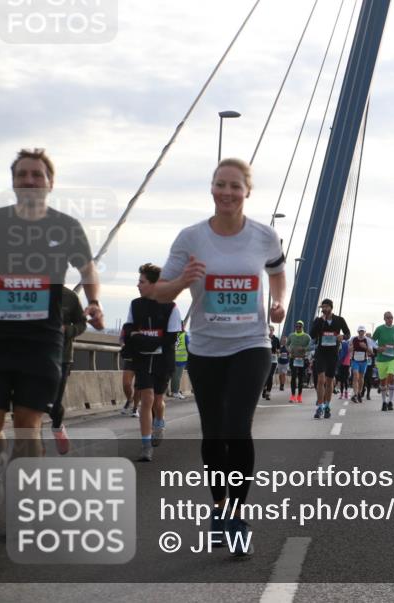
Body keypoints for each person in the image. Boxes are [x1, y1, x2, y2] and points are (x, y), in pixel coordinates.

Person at [154, 157, 286, 556]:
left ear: (247, 192)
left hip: (251, 344)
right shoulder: (191, 238)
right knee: (213, 436)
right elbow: (160, 291)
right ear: (211, 188)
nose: (227, 192)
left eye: (235, 186)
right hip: (206, 349)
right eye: (220, 185)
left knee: (235, 427)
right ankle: (220, 506)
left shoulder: (265, 236)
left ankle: (236, 516)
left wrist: (279, 302)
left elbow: (278, 274)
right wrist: (181, 281)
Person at [0, 148, 105, 513]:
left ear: (50, 182)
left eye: (37, 175)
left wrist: (93, 302)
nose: (29, 180)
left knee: (28, 427)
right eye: (22, 175)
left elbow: (88, 269)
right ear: (13, 182)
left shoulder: (66, 227)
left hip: (41, 341)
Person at [124, 263, 182, 462]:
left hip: (162, 361)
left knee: (158, 401)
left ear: (154, 284)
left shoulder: (171, 307)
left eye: (141, 282)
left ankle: (160, 422)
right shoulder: (135, 305)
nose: (138, 285)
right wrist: (136, 338)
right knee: (146, 398)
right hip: (142, 359)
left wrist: (142, 338)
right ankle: (146, 445)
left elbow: (170, 338)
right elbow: (128, 329)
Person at [48, 286, 88, 454]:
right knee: (29, 406)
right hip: (33, 355)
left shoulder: (70, 297)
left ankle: (57, 428)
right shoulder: (32, 290)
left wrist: (68, 330)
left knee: (55, 404)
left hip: (62, 358)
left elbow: (82, 323)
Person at [308, 299, 350, 419]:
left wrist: (343, 336)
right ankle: (319, 406)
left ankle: (327, 405)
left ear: (331, 308)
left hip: (333, 354)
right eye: (322, 307)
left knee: (329, 381)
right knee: (321, 380)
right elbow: (312, 334)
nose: (324, 309)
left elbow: (348, 333)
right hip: (321, 353)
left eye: (326, 307)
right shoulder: (319, 320)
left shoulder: (339, 320)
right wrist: (320, 321)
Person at [372, 312, 394, 412]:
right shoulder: (379, 329)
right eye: (388, 318)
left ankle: (390, 401)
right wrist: (377, 348)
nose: (390, 319)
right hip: (382, 359)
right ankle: (384, 402)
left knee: (391, 377)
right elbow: (372, 341)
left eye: (391, 318)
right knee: (383, 382)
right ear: (384, 319)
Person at [286, 321, 311, 403]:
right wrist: (289, 350)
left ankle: (299, 396)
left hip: (302, 359)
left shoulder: (307, 337)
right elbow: (286, 345)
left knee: (300, 378)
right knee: (293, 377)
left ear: (302, 327)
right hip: (293, 358)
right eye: (296, 326)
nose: (298, 328)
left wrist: (304, 349)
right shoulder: (291, 335)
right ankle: (293, 396)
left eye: (299, 326)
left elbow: (311, 346)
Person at [262, 325, 281, 401]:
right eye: (268, 330)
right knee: (265, 375)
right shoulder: (264, 338)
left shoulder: (276, 339)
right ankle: (264, 387)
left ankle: (268, 393)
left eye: (271, 330)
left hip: (273, 359)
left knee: (270, 375)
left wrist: (277, 351)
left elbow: (279, 349)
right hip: (265, 359)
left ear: (273, 330)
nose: (270, 331)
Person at [170, 326, 189, 400]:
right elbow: (189, 347)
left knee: (172, 376)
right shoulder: (185, 336)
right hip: (181, 359)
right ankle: (175, 392)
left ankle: (172, 391)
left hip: (172, 358)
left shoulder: (173, 334)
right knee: (177, 377)